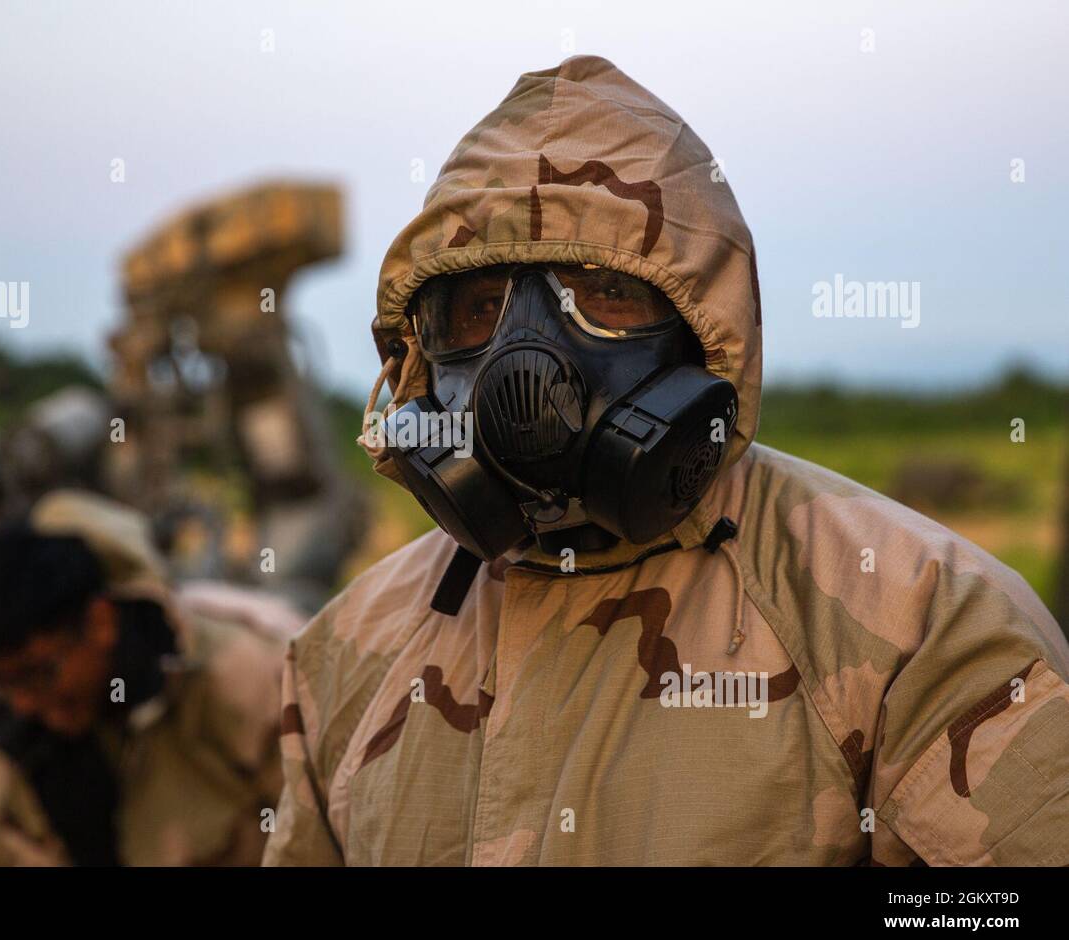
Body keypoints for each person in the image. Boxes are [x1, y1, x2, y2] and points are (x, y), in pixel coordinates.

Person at [263, 55, 1069, 866]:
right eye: (476, 308)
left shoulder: (922, 629)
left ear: (705, 332)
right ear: (417, 364)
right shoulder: (343, 659)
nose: (524, 365)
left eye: (606, 294)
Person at [0, 490, 294, 865]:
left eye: (37, 674)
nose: (23, 702)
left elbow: (332, 836)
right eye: (3, 683)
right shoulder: (34, 744)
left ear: (101, 622)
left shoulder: (244, 681)